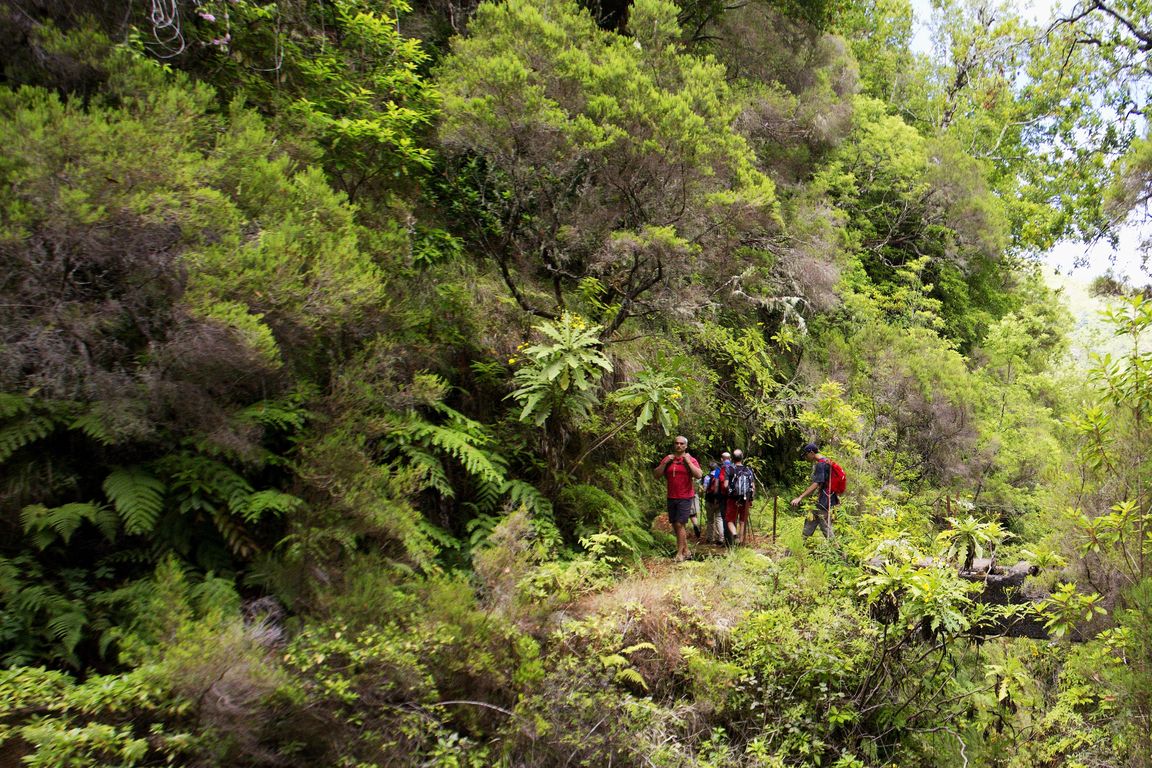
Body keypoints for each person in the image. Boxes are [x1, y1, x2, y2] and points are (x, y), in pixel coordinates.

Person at [654, 435, 703, 561]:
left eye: (682, 444)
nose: (679, 445)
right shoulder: (668, 459)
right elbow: (656, 475)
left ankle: (679, 554)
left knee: (679, 523)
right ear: (674, 445)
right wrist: (665, 463)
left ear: (686, 446)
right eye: (677, 443)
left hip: (686, 497)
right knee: (676, 525)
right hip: (671, 496)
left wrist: (687, 462)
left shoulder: (690, 459)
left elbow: (699, 475)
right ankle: (686, 551)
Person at [791, 442, 837, 540]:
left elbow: (816, 483)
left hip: (824, 500)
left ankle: (840, 553)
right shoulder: (828, 461)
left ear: (811, 452)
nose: (806, 458)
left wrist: (800, 497)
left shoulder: (821, 464)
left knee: (825, 528)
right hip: (827, 498)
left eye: (806, 455)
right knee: (811, 520)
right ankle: (797, 547)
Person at [722, 449, 755, 546]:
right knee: (742, 520)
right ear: (742, 457)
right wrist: (751, 498)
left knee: (729, 520)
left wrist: (731, 490)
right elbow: (753, 486)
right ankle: (741, 541)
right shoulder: (748, 470)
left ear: (732, 458)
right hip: (745, 499)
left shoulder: (729, 469)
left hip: (733, 499)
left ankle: (735, 535)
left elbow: (725, 485)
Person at [702, 452, 731, 544]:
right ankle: (722, 538)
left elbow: (715, 486)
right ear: (730, 459)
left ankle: (710, 538)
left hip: (711, 499)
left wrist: (715, 497)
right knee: (719, 518)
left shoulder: (716, 472)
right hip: (726, 499)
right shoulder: (733, 468)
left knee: (710, 520)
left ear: (722, 459)